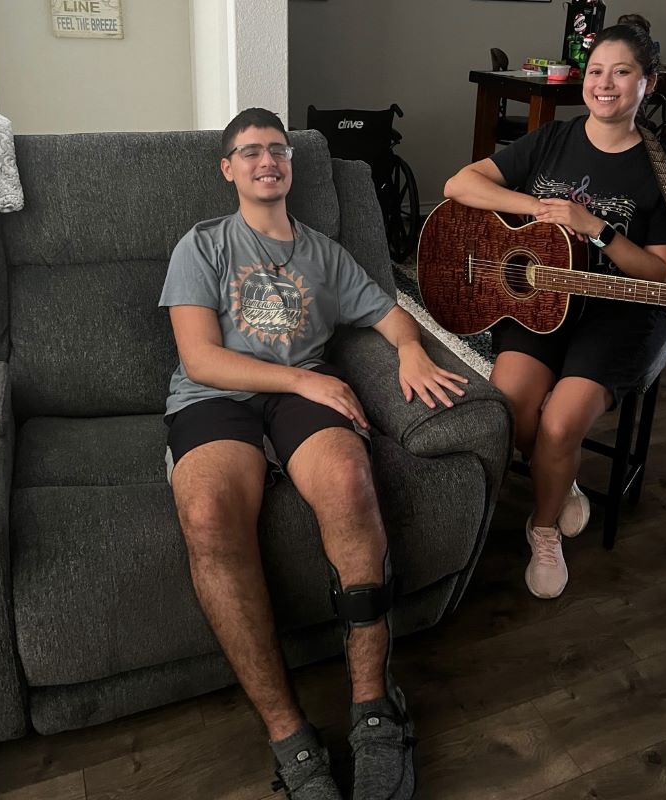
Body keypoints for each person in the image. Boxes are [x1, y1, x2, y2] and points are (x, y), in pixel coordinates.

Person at [159, 107, 468, 800]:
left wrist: (413, 349)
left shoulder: (326, 253)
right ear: (228, 168)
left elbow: (389, 314)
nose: (267, 160)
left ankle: (374, 710)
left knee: (351, 483)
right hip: (221, 396)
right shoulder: (203, 244)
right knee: (207, 513)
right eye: (251, 151)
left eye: (278, 149)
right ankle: (290, 738)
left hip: (302, 399)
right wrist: (305, 376)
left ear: (290, 167)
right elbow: (201, 358)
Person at [444, 18, 666, 599]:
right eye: (596, 71)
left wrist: (594, 228)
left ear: (646, 84)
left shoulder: (662, 168)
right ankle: (564, 477)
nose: (606, 84)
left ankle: (544, 525)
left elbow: (659, 274)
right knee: (513, 414)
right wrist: (535, 207)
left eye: (621, 72)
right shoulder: (554, 138)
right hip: (540, 298)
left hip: (619, 313)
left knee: (558, 425)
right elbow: (459, 184)